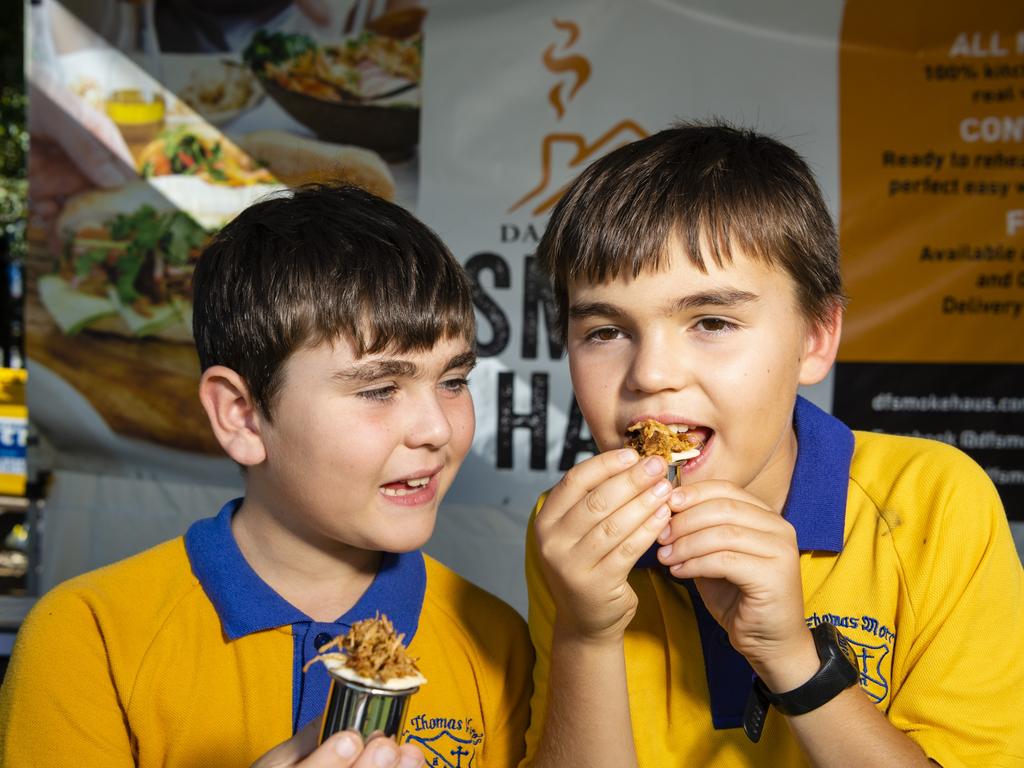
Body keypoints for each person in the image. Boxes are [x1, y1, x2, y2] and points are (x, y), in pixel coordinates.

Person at [519, 122, 1024, 767]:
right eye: (606, 331)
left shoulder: (930, 501)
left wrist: (791, 656)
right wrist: (585, 636)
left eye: (711, 322)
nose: (650, 374)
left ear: (815, 338)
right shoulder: (569, 532)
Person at [0, 184, 532, 768]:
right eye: (380, 388)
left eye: (453, 381)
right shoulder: (85, 639)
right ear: (242, 415)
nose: (437, 428)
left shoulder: (497, 641)